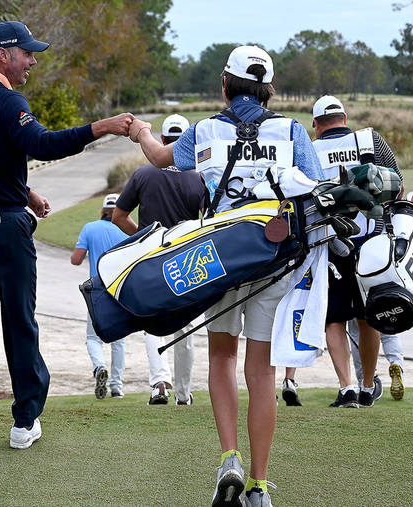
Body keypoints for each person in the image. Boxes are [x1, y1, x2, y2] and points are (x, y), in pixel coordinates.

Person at [0, 20, 133, 473]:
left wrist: (24, 193)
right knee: (19, 323)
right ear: (4, 54)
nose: (33, 60)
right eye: (27, 53)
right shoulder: (8, 100)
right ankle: (25, 422)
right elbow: (42, 143)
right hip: (2, 230)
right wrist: (102, 127)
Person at [128, 45, 324, 507]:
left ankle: (228, 457)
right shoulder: (292, 130)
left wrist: (140, 131)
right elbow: (317, 189)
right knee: (262, 371)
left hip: (219, 258)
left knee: (221, 359)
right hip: (274, 261)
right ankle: (258, 485)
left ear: (225, 84)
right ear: (267, 89)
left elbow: (159, 157)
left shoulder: (205, 130)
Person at [306, 95, 403, 409]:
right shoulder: (369, 139)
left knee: (334, 319)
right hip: (371, 241)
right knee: (367, 317)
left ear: (316, 124)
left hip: (329, 243)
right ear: (345, 118)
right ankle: (366, 386)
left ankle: (346, 387)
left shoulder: (309, 149)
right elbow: (397, 185)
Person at [112, 114, 207, 406]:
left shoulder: (143, 174)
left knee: (152, 323)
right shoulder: (199, 178)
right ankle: (183, 393)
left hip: (151, 257)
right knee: (186, 328)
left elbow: (118, 216)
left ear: (162, 140)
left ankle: (159, 385)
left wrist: (142, 236)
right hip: (187, 259)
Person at [71, 194, 129, 400]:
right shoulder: (125, 231)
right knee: (119, 341)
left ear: (103, 210)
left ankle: (99, 367)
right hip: (120, 290)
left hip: (96, 290)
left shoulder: (90, 228)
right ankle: (117, 386)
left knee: (92, 337)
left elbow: (76, 260)